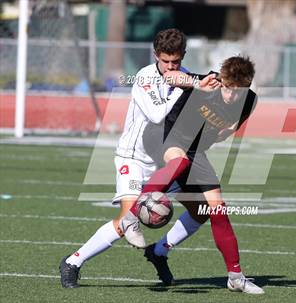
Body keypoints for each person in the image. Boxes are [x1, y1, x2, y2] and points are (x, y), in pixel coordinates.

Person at [59, 28, 218, 288]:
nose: (170, 67)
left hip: (166, 160)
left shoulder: (187, 76)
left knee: (202, 210)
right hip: (133, 160)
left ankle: (159, 252)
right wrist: (187, 85)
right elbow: (157, 114)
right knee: (127, 221)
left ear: (182, 56)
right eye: (165, 61)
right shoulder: (145, 77)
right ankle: (72, 262)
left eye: (175, 62)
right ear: (156, 55)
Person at [122, 55, 265, 294]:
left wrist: (217, 134)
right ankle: (131, 214)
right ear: (222, 80)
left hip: (195, 150)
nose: (231, 96)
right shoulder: (209, 83)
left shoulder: (249, 101)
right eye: (228, 89)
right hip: (166, 136)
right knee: (180, 162)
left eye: (238, 91)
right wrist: (196, 83)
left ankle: (235, 277)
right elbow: (169, 76)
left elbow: (227, 130)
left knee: (214, 208)